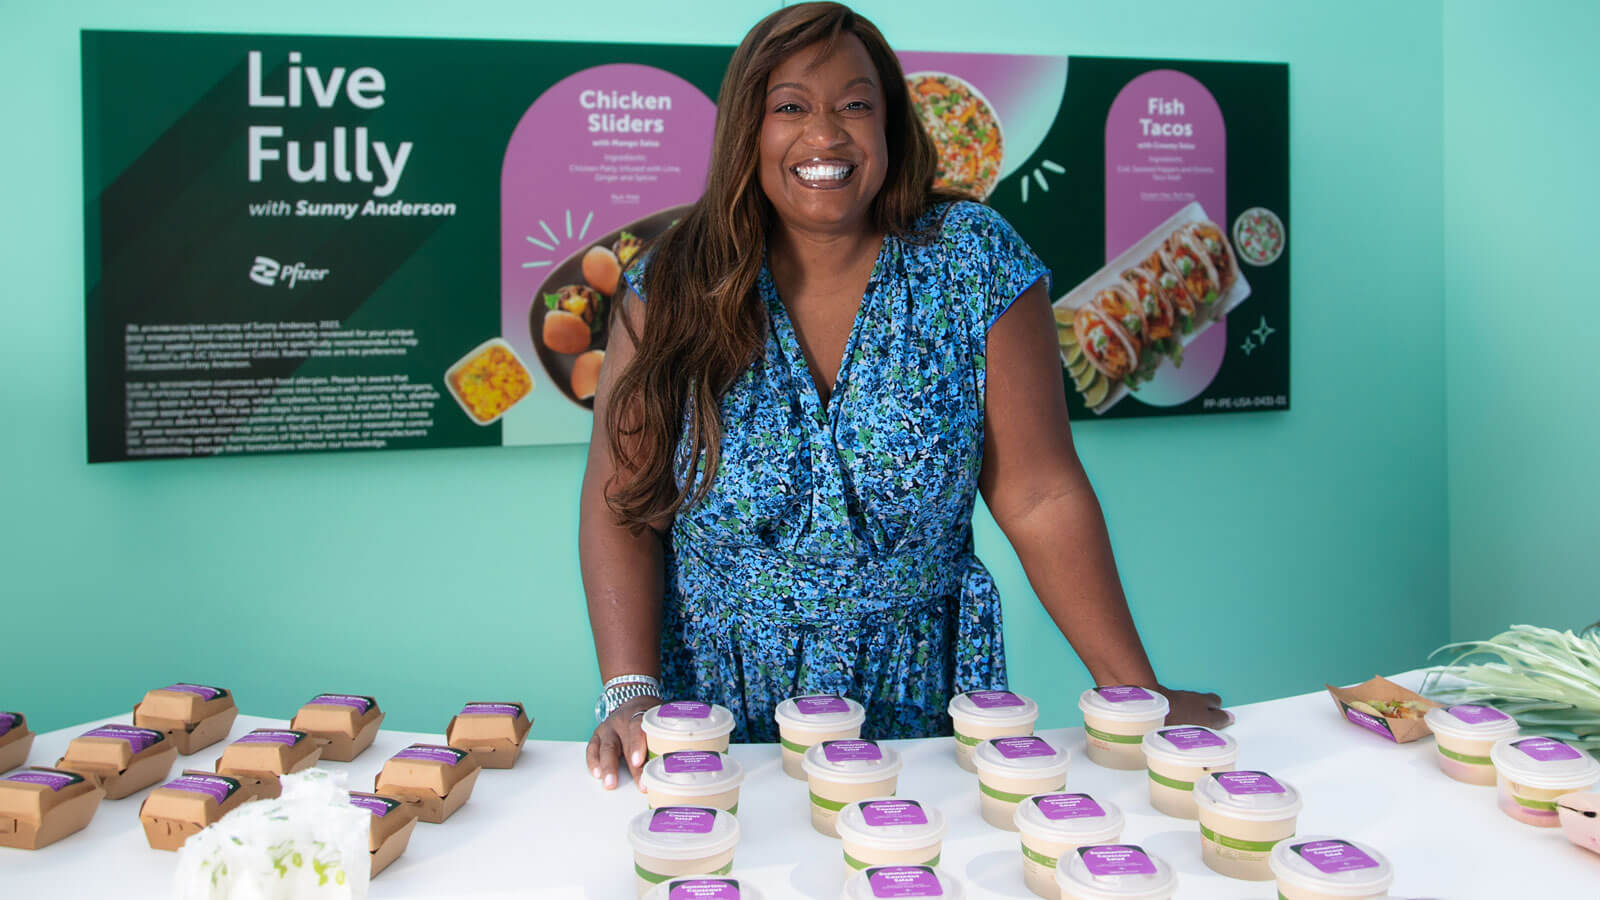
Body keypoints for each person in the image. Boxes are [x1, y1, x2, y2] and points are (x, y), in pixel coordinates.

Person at [580, 2, 1226, 791]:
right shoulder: (673, 280)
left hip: (917, 695)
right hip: (715, 708)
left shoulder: (973, 260)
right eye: (790, 107)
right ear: (749, 128)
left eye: (855, 105)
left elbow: (1040, 494)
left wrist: (1137, 693)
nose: (825, 136)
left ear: (891, 125)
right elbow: (625, 501)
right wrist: (631, 691)